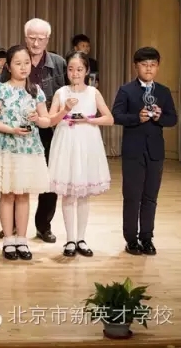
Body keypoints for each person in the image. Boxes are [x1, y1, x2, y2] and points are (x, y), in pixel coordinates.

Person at [0, 45, 51, 261]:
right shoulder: (0, 89)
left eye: (26, 63)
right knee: (8, 193)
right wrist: (12, 129)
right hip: (6, 148)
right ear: (9, 67)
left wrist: (38, 119)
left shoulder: (35, 90)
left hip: (28, 149)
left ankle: (22, 239)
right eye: (18, 63)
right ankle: (8, 240)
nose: (23, 67)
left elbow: (46, 121)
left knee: (23, 194)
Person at [112, 47, 178, 256]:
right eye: (144, 64)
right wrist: (136, 118)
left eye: (152, 65)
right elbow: (116, 115)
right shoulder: (126, 90)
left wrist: (159, 117)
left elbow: (173, 119)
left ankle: (147, 238)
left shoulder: (163, 91)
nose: (148, 69)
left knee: (150, 197)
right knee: (132, 196)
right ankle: (131, 239)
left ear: (157, 67)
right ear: (136, 66)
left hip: (155, 152)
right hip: (133, 151)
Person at [47, 52, 113, 257]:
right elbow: (50, 120)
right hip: (66, 143)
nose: (75, 73)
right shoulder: (61, 92)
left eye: (79, 69)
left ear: (86, 71)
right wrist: (65, 109)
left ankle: (81, 238)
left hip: (87, 143)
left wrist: (88, 120)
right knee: (68, 193)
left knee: (83, 194)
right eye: (71, 69)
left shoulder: (93, 92)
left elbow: (109, 118)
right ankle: (69, 239)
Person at [23, 18, 67, 244]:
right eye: (32, 38)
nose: (36, 43)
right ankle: (14, 225)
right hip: (21, 129)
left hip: (50, 129)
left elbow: (68, 92)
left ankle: (43, 225)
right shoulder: (17, 58)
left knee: (50, 180)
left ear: (48, 39)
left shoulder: (58, 63)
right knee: (18, 178)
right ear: (25, 37)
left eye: (41, 38)